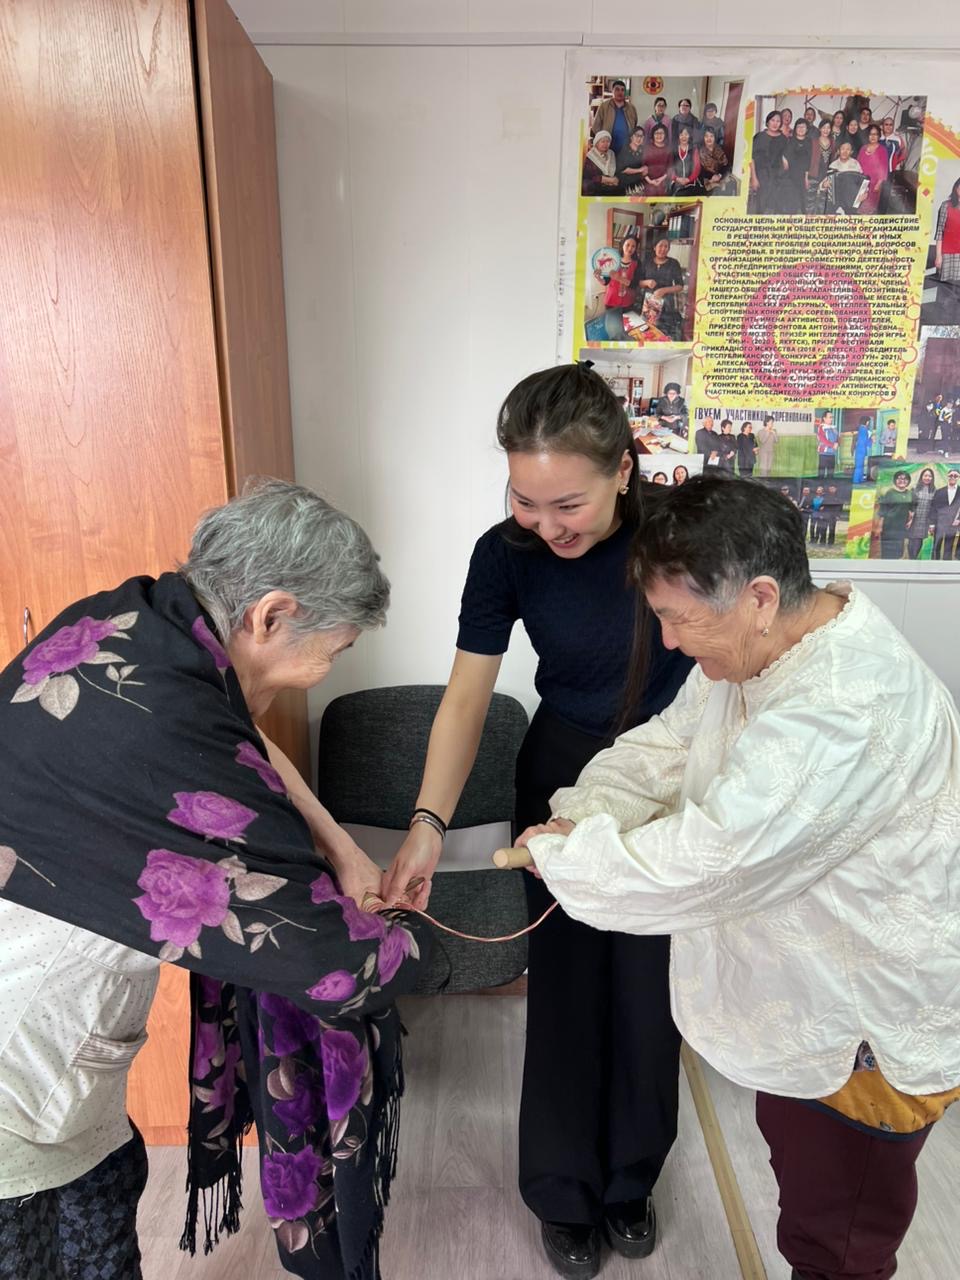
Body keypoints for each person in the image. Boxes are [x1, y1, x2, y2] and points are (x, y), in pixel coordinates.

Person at [518, 474, 960, 1280]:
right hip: (804, 993)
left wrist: (569, 858)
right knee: (805, 1191)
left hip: (862, 1030)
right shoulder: (764, 648)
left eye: (680, 618)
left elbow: (713, 861)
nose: (670, 642)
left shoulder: (846, 705)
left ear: (759, 596)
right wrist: (583, 812)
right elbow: (669, 744)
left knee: (837, 1245)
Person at [0, 479, 430, 1280]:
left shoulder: (137, 623)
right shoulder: (165, 724)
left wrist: (338, 847)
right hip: (20, 1068)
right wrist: (414, 941)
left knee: (105, 1205)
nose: (322, 671)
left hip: (58, 1047)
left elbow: (238, 738)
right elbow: (331, 963)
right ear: (271, 615)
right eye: (330, 652)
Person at [380, 364, 693, 1280]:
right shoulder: (504, 554)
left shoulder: (677, 536)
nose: (547, 525)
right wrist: (428, 822)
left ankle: (631, 1179)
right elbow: (466, 698)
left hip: (670, 777)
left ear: (623, 471)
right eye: (525, 499)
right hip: (560, 774)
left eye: (569, 505)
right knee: (565, 986)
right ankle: (562, 1190)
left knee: (651, 993)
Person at [594, 233, 642, 341]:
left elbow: (635, 284)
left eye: (633, 246)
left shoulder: (637, 263)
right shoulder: (613, 260)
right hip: (611, 302)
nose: (630, 248)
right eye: (627, 245)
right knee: (614, 332)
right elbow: (605, 281)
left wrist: (619, 278)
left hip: (628, 303)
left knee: (627, 331)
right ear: (622, 245)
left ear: (636, 248)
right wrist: (598, 277)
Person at [638, 237, 686, 341]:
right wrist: (647, 282)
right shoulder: (647, 262)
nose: (663, 249)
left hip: (667, 305)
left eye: (666, 246)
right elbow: (639, 283)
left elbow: (680, 286)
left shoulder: (674, 263)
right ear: (654, 247)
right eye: (660, 246)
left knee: (664, 334)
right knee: (648, 333)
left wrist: (664, 290)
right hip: (649, 304)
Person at [749, 111, 787, 214]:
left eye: (778, 121)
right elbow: (751, 158)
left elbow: (785, 157)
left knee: (776, 207)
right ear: (767, 122)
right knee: (761, 207)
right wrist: (754, 178)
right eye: (773, 120)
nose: (775, 123)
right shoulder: (759, 137)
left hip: (778, 177)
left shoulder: (783, 139)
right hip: (762, 176)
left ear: (781, 123)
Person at [934, 177, 960, 320]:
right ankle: (944, 319)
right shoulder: (946, 206)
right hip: (948, 254)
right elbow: (940, 232)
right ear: (956, 189)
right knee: (946, 291)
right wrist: (938, 256)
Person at [874, 469, 912, 559]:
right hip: (889, 527)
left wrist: (910, 520)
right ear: (895, 480)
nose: (902, 480)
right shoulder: (890, 493)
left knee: (898, 552)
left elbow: (912, 509)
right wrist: (879, 527)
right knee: (887, 552)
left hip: (901, 528)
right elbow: (882, 511)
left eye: (905, 479)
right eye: (899, 478)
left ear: (908, 481)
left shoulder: (910, 494)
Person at [590, 80, 638, 150]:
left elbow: (634, 125)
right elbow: (596, 127)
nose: (620, 92)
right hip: (608, 148)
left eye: (622, 90)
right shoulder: (604, 106)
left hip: (626, 149)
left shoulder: (631, 108)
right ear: (612, 91)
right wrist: (602, 142)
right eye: (617, 89)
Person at [822, 140, 865, 214]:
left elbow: (863, 182)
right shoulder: (833, 165)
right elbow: (824, 183)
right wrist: (823, 185)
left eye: (848, 149)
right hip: (836, 201)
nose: (845, 152)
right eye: (843, 149)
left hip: (852, 201)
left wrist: (864, 193)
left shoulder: (856, 164)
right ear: (838, 151)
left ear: (851, 152)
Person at [857, 124, 889, 214]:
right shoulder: (863, 148)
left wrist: (878, 184)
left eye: (875, 134)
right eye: (871, 134)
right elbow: (857, 165)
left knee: (869, 210)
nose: (873, 136)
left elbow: (884, 169)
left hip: (874, 184)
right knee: (859, 207)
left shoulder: (882, 150)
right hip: (862, 183)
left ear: (879, 136)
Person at [906, 467, 938, 558]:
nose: (927, 478)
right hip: (913, 519)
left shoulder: (934, 490)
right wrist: (909, 517)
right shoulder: (914, 488)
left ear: (932, 478)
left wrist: (932, 523)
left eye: (930, 476)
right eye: (925, 475)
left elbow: (934, 508)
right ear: (921, 477)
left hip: (925, 520)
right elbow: (910, 504)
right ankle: (911, 558)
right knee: (911, 540)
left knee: (918, 541)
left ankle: (914, 558)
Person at [782, 117, 811, 213]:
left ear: (807, 129)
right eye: (798, 126)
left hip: (803, 176)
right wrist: (784, 159)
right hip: (790, 176)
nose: (801, 129)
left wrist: (806, 178)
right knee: (791, 205)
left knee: (804, 204)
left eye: (803, 127)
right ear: (795, 129)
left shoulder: (809, 142)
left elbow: (809, 161)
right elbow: (783, 154)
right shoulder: (789, 140)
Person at [929, 467, 960, 558]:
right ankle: (934, 565)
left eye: (955, 476)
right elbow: (933, 508)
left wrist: (959, 519)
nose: (953, 477)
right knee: (936, 547)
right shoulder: (939, 491)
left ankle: (946, 565)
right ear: (947, 476)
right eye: (951, 475)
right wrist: (932, 524)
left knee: (948, 548)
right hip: (939, 524)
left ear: (958, 477)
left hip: (953, 524)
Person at [806, 120, 836, 213]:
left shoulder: (832, 142)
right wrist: (806, 177)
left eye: (828, 128)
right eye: (824, 127)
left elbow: (833, 160)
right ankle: (809, 220)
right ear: (820, 128)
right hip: (813, 174)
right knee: (810, 202)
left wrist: (830, 176)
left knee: (822, 202)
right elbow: (807, 160)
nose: (826, 130)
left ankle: (819, 220)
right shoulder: (813, 142)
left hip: (825, 176)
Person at [582, 130, 620, 196]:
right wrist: (605, 179)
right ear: (597, 143)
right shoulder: (590, 156)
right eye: (603, 141)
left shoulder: (611, 153)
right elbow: (588, 178)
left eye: (608, 141)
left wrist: (615, 179)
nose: (605, 144)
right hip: (595, 189)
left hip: (610, 187)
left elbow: (616, 172)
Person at [668, 125, 702, 195]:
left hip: (691, 182)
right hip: (676, 182)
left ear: (689, 136)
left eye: (686, 134)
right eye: (681, 135)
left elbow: (697, 167)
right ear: (678, 136)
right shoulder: (673, 150)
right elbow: (669, 167)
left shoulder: (694, 150)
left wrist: (689, 179)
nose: (684, 137)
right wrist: (676, 178)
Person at [698, 126, 732, 195]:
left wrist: (719, 175)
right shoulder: (700, 152)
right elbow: (699, 170)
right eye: (706, 136)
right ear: (703, 138)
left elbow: (726, 165)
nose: (709, 139)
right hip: (707, 179)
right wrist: (712, 177)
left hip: (720, 177)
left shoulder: (719, 150)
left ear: (715, 138)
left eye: (711, 136)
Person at [641, 123, 672, 195]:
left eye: (661, 133)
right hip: (648, 181)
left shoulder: (668, 149)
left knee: (662, 191)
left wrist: (660, 180)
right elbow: (642, 167)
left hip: (663, 180)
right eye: (656, 133)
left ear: (665, 135)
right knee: (651, 191)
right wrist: (650, 181)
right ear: (653, 135)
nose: (659, 135)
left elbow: (670, 167)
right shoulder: (647, 148)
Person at [616, 126, 648, 193]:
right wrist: (640, 170)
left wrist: (645, 169)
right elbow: (622, 170)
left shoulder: (643, 149)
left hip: (639, 180)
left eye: (641, 136)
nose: (639, 138)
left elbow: (645, 166)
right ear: (631, 137)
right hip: (626, 183)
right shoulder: (625, 150)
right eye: (637, 135)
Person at [816, 409, 839, 478]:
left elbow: (838, 437)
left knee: (831, 474)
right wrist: (832, 445)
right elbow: (822, 439)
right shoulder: (821, 427)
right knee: (821, 474)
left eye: (832, 417)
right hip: (824, 454)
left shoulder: (834, 428)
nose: (831, 419)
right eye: (830, 417)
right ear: (824, 418)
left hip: (832, 454)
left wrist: (837, 443)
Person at [853, 415, 873, 483]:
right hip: (861, 450)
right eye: (868, 421)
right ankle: (856, 480)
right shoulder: (864, 429)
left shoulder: (861, 428)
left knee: (860, 465)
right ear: (866, 422)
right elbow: (864, 440)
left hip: (860, 449)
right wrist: (871, 440)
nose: (868, 423)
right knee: (859, 466)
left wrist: (870, 440)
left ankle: (860, 479)